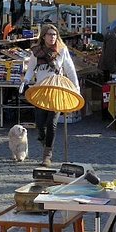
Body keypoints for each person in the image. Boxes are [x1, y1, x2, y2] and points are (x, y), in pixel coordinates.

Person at [23, 23, 81, 166]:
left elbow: (70, 70)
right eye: (49, 35)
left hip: (56, 89)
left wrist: (76, 87)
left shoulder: (62, 50)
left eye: (54, 35)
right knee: (40, 123)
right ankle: (43, 139)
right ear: (43, 36)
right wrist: (25, 81)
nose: (52, 37)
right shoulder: (36, 51)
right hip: (41, 90)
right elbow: (31, 69)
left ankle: (47, 155)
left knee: (52, 123)